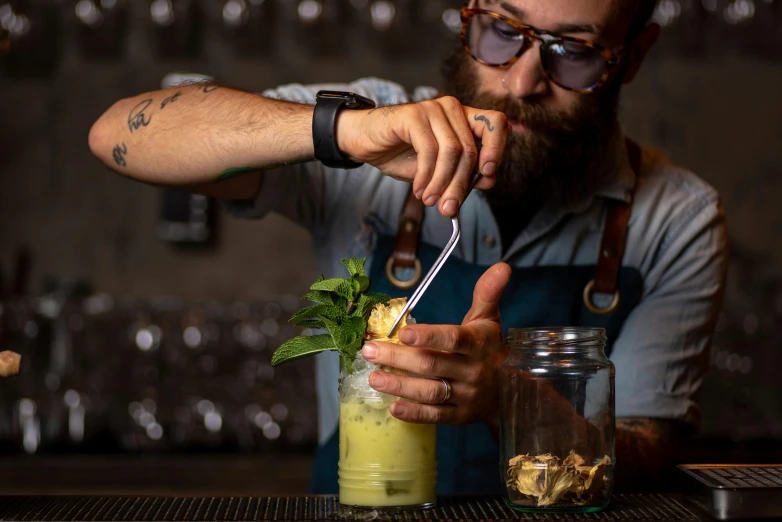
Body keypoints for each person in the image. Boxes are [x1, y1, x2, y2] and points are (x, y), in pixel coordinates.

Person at [88, 0, 728, 493]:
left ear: (634, 55)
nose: (522, 81)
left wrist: (513, 398)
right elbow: (117, 134)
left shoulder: (677, 218)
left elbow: (650, 454)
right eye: (502, 29)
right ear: (466, 17)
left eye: (575, 51)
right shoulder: (373, 131)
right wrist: (346, 131)